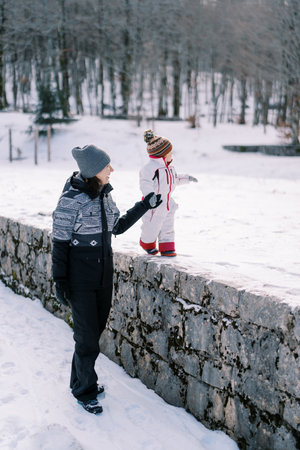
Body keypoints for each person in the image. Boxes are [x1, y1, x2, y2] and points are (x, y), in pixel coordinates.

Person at [51, 144, 162, 415]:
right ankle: (85, 391)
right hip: (79, 279)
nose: (111, 170)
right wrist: (60, 280)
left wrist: (144, 205)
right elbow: (59, 243)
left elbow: (117, 227)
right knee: (87, 338)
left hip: (103, 274)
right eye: (106, 166)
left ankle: (79, 380)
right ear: (92, 171)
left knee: (93, 333)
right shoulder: (71, 200)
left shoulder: (103, 195)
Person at [139, 129, 198, 257]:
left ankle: (167, 247)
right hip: (154, 204)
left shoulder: (169, 168)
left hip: (167, 203)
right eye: (170, 153)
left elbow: (174, 179)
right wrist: (150, 196)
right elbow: (145, 183)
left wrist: (187, 178)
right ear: (162, 155)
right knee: (152, 226)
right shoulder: (149, 168)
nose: (172, 155)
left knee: (167, 226)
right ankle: (147, 243)